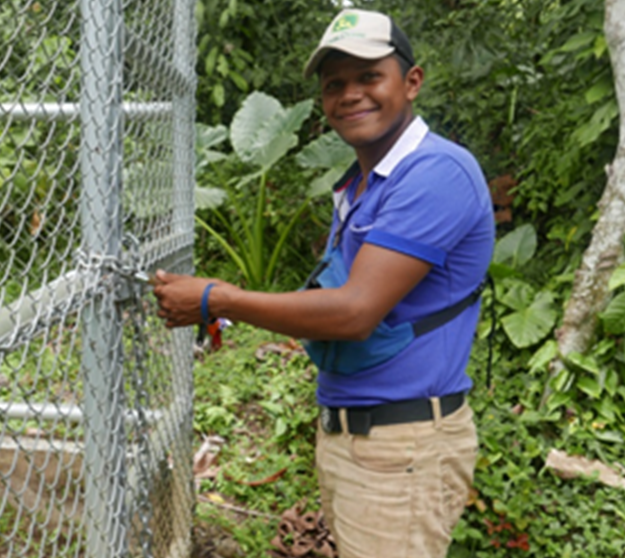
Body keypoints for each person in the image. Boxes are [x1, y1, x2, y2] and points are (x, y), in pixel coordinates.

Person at [153, 8, 494, 558]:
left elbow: (355, 311)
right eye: (334, 84)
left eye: (368, 77)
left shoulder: (436, 173)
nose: (350, 95)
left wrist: (217, 299)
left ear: (412, 82)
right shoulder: (364, 183)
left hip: (399, 445)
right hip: (358, 436)